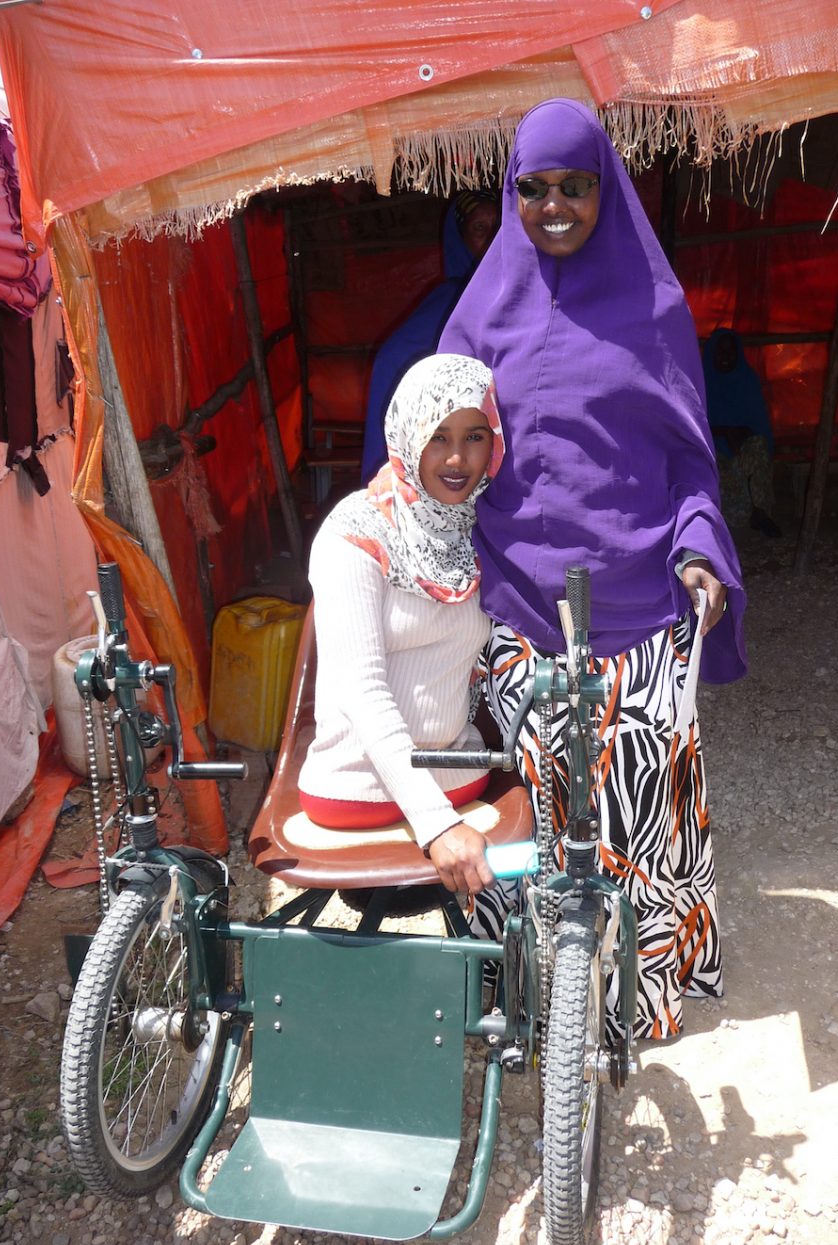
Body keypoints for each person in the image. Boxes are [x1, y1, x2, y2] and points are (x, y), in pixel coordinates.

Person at [439, 97, 748, 1043]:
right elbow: (436, 441)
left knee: (637, 796)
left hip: (636, 601)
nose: (557, 204)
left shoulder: (654, 310)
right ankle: (535, 994)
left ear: (606, 189)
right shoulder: (480, 311)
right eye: (535, 188)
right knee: (531, 804)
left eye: (577, 185)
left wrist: (698, 548)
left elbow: (691, 459)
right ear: (512, 194)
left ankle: (636, 993)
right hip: (518, 598)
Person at [299, 353, 505, 894]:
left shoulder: (481, 527)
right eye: (437, 436)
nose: (457, 458)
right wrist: (436, 823)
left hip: (459, 772)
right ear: (405, 432)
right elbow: (363, 693)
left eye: (475, 436)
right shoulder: (354, 533)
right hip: (357, 791)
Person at [360, 192, 500, 483]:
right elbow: (392, 361)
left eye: (499, 227)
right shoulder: (449, 301)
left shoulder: (529, 295)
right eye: (478, 229)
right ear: (460, 239)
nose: (490, 240)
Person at [702, 327, 782, 537]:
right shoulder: (701, 383)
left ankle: (760, 511)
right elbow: (693, 425)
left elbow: (759, 424)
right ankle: (736, 513)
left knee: (759, 446)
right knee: (733, 512)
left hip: (742, 450)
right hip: (713, 450)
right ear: (712, 354)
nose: (726, 357)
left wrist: (740, 434)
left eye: (731, 352)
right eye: (721, 352)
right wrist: (724, 432)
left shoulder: (747, 381)